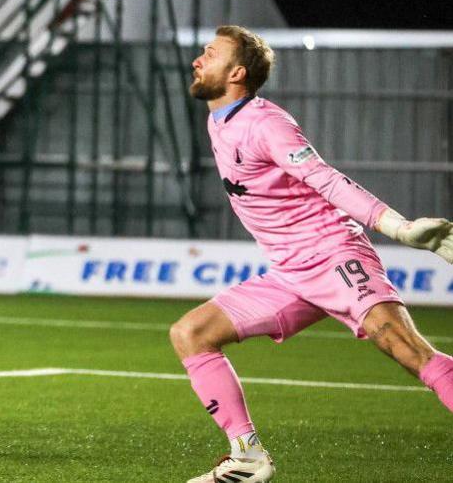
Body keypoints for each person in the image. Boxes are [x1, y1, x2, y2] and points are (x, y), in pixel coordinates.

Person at [173, 25, 453, 483]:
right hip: (289, 273)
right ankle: (247, 457)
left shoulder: (266, 123)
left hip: (333, 254)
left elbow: (325, 179)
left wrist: (397, 227)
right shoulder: (219, 117)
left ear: (237, 72)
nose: (197, 60)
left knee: (408, 351)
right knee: (190, 333)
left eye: (210, 53)